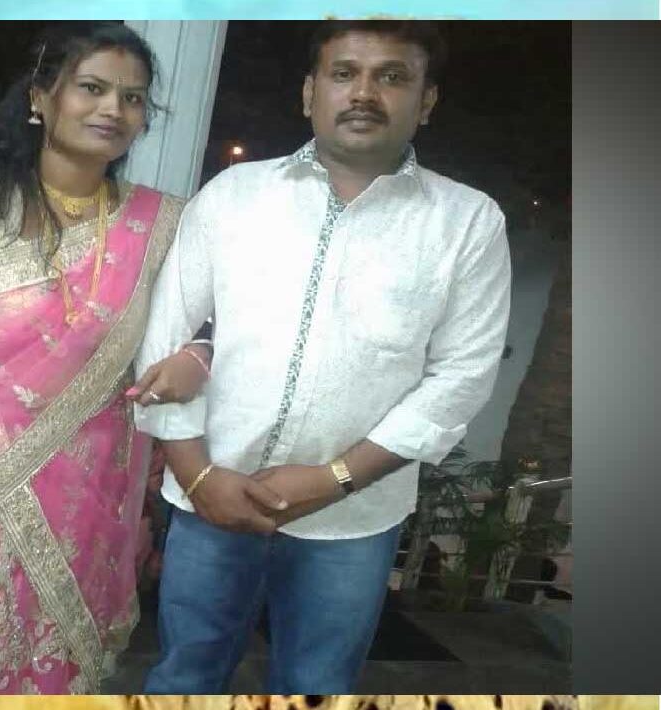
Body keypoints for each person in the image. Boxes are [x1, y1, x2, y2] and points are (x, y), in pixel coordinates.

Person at [133, 20, 512, 693]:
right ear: (310, 92)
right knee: (185, 678)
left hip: (351, 519)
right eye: (344, 73)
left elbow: (461, 376)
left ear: (425, 100)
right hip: (210, 496)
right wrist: (196, 478)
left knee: (316, 682)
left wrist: (334, 478)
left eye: (391, 76)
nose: (363, 92)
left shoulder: (466, 221)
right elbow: (164, 338)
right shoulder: (234, 195)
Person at [0, 22, 210, 694]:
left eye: (132, 98)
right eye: (92, 88)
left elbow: (218, 321)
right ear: (39, 97)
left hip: (87, 503)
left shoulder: (163, 224)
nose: (113, 109)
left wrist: (197, 355)